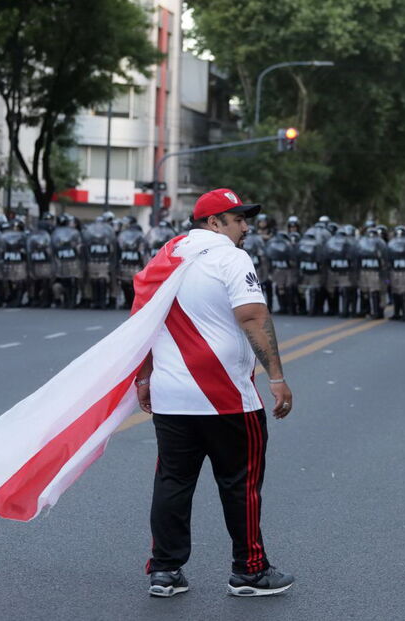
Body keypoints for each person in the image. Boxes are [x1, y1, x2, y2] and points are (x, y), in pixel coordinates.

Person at [136, 188, 295, 598]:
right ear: (213, 222)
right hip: (226, 397)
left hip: (172, 396)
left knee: (172, 482)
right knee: (241, 484)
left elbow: (143, 321)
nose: (246, 226)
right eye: (237, 218)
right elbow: (253, 317)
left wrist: (144, 377)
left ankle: (166, 571)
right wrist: (276, 376)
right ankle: (250, 571)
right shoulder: (231, 257)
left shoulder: (167, 255)